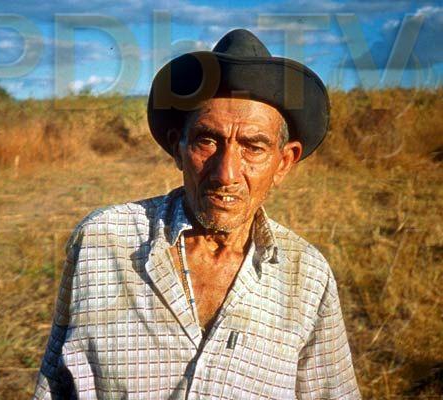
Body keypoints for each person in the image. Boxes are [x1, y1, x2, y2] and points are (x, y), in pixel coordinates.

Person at [32, 29, 360, 399]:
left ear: (284, 162)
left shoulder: (308, 276)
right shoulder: (102, 241)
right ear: (178, 148)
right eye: (207, 141)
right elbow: (54, 387)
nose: (226, 173)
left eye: (253, 147)